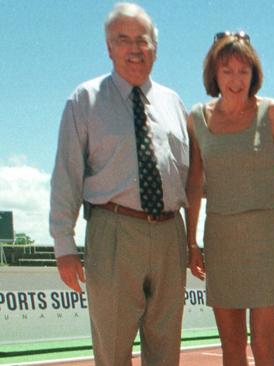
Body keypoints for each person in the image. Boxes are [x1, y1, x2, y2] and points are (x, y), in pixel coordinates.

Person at [49, 3, 189, 365]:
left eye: (142, 40)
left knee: (165, 347)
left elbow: (188, 176)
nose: (134, 48)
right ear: (108, 48)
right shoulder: (85, 100)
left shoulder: (173, 102)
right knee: (113, 348)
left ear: (155, 47)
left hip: (169, 233)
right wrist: (63, 243)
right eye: (122, 40)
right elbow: (66, 174)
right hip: (113, 230)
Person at [185, 31, 274, 365]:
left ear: (254, 73)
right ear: (214, 73)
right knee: (231, 346)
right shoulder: (196, 119)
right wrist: (191, 240)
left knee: (264, 343)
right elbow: (194, 184)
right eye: (227, 71)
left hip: (266, 237)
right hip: (221, 239)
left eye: (243, 71)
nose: (236, 79)